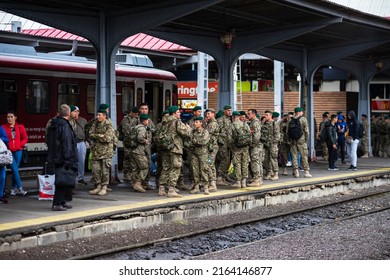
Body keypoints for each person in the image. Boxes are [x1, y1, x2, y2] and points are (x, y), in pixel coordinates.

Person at [46, 104, 78, 211]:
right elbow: (67, 143)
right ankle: (57, 203)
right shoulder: (65, 126)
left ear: (59, 113)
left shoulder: (53, 124)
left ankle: (63, 201)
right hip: (63, 158)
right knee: (62, 181)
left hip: (54, 156)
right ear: (68, 113)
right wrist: (69, 159)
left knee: (62, 180)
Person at [158, 106, 191, 198]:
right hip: (175, 148)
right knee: (176, 167)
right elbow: (186, 133)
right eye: (178, 112)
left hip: (166, 148)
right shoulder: (177, 122)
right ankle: (171, 189)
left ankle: (161, 188)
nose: (179, 114)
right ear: (173, 113)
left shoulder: (164, 122)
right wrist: (188, 128)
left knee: (166, 168)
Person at [88, 109, 116, 195]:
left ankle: (104, 187)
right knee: (96, 170)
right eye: (97, 115)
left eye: (99, 115)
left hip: (106, 152)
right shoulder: (95, 124)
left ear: (104, 116)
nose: (98, 117)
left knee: (105, 171)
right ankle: (98, 186)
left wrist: (96, 136)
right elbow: (90, 134)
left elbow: (107, 138)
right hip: (96, 151)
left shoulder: (109, 125)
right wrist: (100, 135)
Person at [2, 111, 28, 196]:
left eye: (11, 117)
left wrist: (20, 145)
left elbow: (25, 138)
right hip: (9, 152)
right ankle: (20, 188)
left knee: (15, 170)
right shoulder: (3, 127)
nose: (9, 118)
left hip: (18, 151)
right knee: (15, 169)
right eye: (8, 117)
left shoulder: (20, 127)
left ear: (15, 118)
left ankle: (13, 189)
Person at [287, 107, 312, 178]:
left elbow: (287, 132)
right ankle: (306, 172)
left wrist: (288, 140)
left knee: (294, 156)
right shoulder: (303, 119)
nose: (302, 113)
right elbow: (306, 130)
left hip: (293, 141)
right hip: (301, 140)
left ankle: (296, 171)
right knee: (304, 156)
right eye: (301, 112)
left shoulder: (290, 120)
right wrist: (306, 139)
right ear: (299, 112)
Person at [130, 114, 151, 193]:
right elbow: (140, 138)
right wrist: (145, 141)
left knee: (135, 168)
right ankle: (138, 183)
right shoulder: (142, 129)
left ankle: (135, 184)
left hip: (133, 150)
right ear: (145, 121)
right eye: (147, 120)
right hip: (139, 151)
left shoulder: (136, 127)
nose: (148, 122)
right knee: (145, 167)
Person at [189, 116, 210, 195]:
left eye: (197, 122)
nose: (195, 123)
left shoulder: (205, 132)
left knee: (204, 170)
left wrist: (195, 141)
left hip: (203, 153)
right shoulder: (193, 132)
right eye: (195, 122)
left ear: (201, 123)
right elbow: (190, 142)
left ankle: (205, 187)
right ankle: (196, 187)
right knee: (195, 171)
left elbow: (204, 141)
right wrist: (195, 142)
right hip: (194, 153)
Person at [69, 105, 88, 185]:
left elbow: (87, 131)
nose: (76, 113)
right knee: (72, 161)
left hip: (81, 142)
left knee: (81, 161)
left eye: (78, 112)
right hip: (72, 143)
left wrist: (87, 141)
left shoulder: (83, 120)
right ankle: (71, 178)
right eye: (75, 112)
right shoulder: (68, 121)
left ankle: (81, 178)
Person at [246, 109, 263, 187]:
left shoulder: (255, 123)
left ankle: (257, 179)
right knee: (256, 161)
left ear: (253, 114)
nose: (247, 115)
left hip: (255, 146)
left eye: (249, 114)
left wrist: (252, 144)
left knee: (255, 161)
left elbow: (256, 136)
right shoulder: (254, 122)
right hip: (256, 145)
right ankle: (258, 178)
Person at [0, 126, 9, 204]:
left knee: (2, 177)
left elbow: (6, 138)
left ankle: (0, 196)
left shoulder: (0, 129)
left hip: (1, 159)